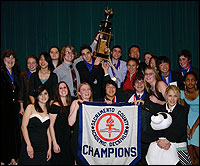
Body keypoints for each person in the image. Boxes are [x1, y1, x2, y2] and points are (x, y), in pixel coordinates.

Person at [143, 85, 192, 165]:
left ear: (178, 97)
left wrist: (167, 141)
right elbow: (154, 128)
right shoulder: (159, 109)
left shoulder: (183, 110)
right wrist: (159, 141)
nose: (172, 99)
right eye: (170, 96)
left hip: (178, 143)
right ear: (166, 96)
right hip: (160, 143)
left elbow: (180, 129)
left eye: (175, 96)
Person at [18, 85, 52, 165]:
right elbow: (23, 127)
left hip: (43, 147)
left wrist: (49, 148)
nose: (43, 96)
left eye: (45, 93)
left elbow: (48, 131)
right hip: (30, 144)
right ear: (37, 96)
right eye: (40, 94)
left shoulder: (49, 110)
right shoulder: (30, 107)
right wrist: (28, 145)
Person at [0, 49, 21, 165]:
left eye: (12, 58)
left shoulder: (16, 74)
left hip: (13, 109)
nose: (10, 60)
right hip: (3, 109)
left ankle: (13, 158)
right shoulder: (1, 73)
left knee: (13, 133)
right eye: (8, 58)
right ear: (3, 60)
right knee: (4, 134)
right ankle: (4, 159)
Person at [49, 81, 74, 165]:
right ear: (57, 91)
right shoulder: (55, 106)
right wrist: (54, 143)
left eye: (65, 87)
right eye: (60, 88)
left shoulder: (72, 104)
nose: (63, 89)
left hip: (69, 139)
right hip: (59, 139)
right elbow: (51, 126)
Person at [68, 82, 93, 165]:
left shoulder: (94, 105)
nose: (86, 91)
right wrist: (76, 108)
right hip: (78, 139)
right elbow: (70, 123)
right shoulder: (75, 102)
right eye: (84, 90)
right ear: (79, 93)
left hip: (91, 141)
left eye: (88, 89)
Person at [180, 71, 199, 165]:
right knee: (189, 144)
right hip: (189, 116)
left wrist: (194, 128)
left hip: (198, 118)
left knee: (196, 142)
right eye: (187, 80)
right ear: (184, 82)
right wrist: (187, 126)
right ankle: (191, 163)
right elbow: (183, 110)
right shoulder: (182, 93)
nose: (190, 82)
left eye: (193, 80)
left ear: (196, 82)